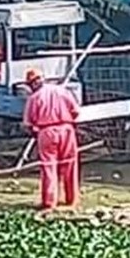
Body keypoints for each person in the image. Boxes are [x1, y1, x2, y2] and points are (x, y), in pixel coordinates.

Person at [23, 68, 81, 210]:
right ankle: (71, 199)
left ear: (32, 84)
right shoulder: (62, 91)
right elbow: (76, 111)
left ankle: (49, 202)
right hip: (67, 130)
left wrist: (35, 132)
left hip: (46, 132)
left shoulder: (34, 98)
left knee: (49, 167)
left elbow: (28, 123)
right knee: (69, 164)